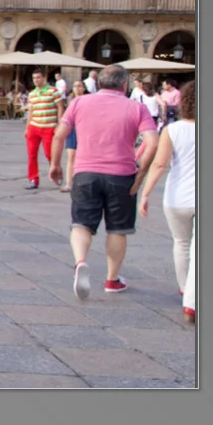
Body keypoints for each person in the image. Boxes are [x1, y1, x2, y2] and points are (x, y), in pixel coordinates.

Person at [49, 65, 158, 300]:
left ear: (98, 83)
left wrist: (55, 164)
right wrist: (141, 173)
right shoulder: (137, 107)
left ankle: (80, 262)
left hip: (85, 173)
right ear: (124, 85)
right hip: (122, 175)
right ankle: (112, 279)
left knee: (81, 224)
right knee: (117, 229)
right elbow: (153, 141)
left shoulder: (79, 103)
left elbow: (60, 134)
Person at [137, 80, 195, 321]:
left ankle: (185, 289)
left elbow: (159, 164)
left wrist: (146, 193)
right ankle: (191, 302)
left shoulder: (172, 129)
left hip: (177, 197)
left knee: (181, 243)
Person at [23, 69, 63, 190]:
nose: (36, 80)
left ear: (44, 78)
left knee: (50, 154)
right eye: (34, 78)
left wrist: (59, 124)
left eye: (38, 78)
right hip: (34, 127)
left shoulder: (53, 91)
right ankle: (33, 179)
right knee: (31, 154)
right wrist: (27, 128)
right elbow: (31, 111)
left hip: (49, 127)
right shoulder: (32, 94)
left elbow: (60, 107)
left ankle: (56, 174)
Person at [59, 81, 88, 192]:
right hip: (72, 130)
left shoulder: (88, 100)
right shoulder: (70, 100)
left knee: (83, 156)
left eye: (79, 86)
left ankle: (81, 182)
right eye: (75, 86)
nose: (77, 88)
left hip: (84, 130)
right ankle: (69, 183)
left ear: (84, 88)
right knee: (71, 156)